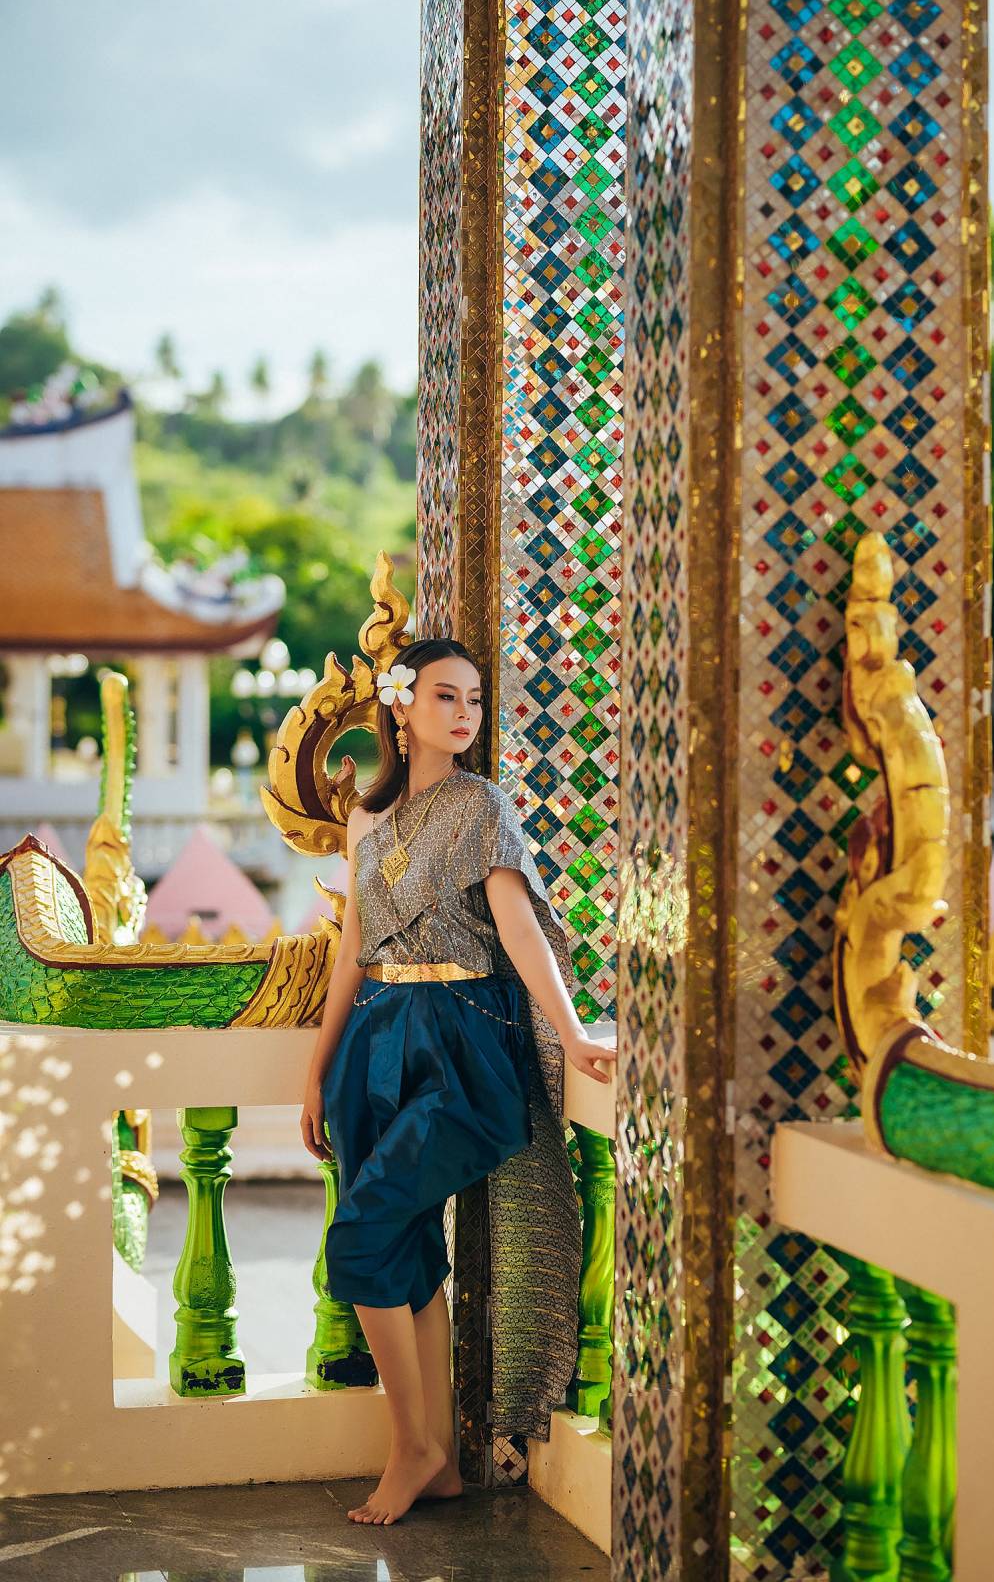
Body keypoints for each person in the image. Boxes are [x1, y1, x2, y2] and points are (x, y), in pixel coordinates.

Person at [299, 636, 616, 1526]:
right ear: (402, 706)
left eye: (474, 697)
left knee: (361, 1235)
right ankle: (436, 1458)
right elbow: (352, 950)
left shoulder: (482, 804)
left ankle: (412, 1447)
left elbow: (517, 926)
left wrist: (571, 1031)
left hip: (460, 1044)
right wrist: (318, 1070)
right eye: (446, 695)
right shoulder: (366, 821)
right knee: (407, 1249)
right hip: (374, 1041)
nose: (465, 712)